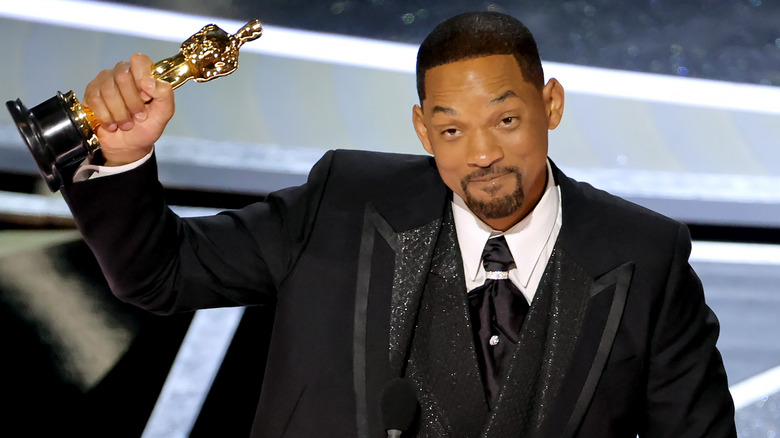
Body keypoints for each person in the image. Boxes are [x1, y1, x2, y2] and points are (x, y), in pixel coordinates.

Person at [60, 11, 736, 438]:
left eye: (505, 120)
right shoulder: (344, 203)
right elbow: (160, 273)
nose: (482, 154)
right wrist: (122, 159)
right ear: (421, 128)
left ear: (550, 104)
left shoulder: (646, 256)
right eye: (451, 128)